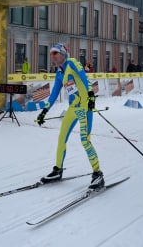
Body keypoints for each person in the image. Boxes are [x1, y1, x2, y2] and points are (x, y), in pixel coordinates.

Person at [35, 43, 104, 190]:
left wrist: (91, 97)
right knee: (62, 137)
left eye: (55, 53)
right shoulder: (60, 73)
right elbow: (54, 94)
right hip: (73, 108)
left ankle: (97, 174)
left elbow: (84, 79)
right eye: (51, 53)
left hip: (85, 106)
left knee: (85, 140)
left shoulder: (72, 63)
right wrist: (44, 112)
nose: (52, 56)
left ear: (62, 53)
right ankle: (57, 170)